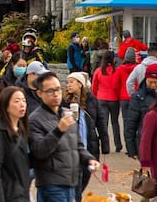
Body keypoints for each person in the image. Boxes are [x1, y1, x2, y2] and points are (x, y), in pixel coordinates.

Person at [29, 71, 99, 202]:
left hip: (72, 181)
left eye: (57, 89)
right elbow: (39, 151)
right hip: (52, 184)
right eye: (50, 91)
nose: (55, 94)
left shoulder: (67, 114)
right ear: (40, 93)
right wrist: (58, 131)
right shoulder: (35, 119)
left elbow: (78, 145)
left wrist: (89, 159)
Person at [0, 86, 31, 202]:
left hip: (22, 194)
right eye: (17, 101)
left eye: (24, 101)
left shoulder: (21, 130)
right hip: (8, 195)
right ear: (6, 105)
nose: (22, 104)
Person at [64, 71, 101, 197]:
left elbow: (100, 120)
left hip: (89, 144)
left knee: (85, 177)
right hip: (72, 148)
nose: (68, 85)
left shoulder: (91, 100)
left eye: (71, 82)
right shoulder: (64, 102)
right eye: (67, 82)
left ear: (80, 84)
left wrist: (105, 143)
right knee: (76, 183)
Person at [124, 63, 157, 159]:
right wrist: (132, 149)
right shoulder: (138, 97)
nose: (153, 85)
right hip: (145, 142)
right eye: (150, 82)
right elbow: (130, 124)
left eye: (156, 82)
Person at [92, 50, 121, 154]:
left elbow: (94, 86)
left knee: (103, 124)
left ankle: (106, 145)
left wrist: (95, 97)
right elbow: (117, 86)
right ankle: (118, 145)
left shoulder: (99, 71)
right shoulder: (116, 71)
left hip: (101, 98)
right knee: (115, 122)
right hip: (114, 99)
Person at [116, 47, 139, 127]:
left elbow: (116, 84)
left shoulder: (119, 69)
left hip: (123, 98)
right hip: (135, 97)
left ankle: (127, 138)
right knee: (135, 120)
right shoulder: (138, 69)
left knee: (125, 120)